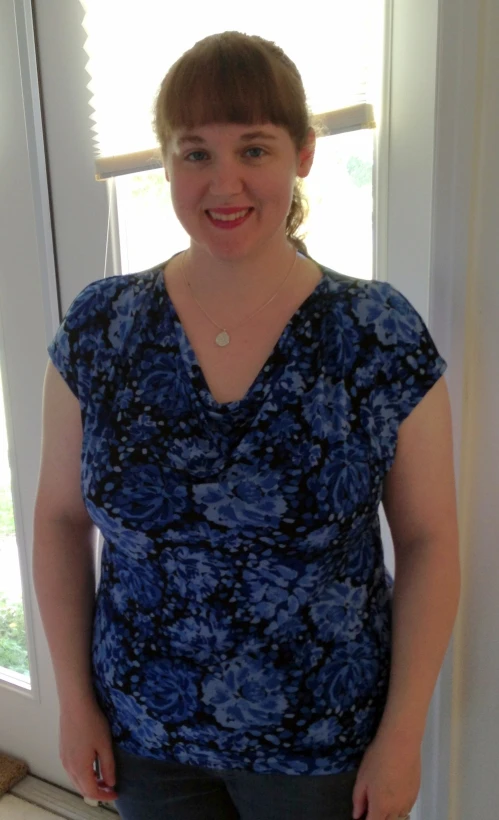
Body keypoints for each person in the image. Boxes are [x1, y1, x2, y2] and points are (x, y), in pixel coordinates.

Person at [33, 30, 460, 820]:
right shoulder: (100, 327)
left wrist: (402, 736)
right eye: (194, 153)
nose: (222, 182)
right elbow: (60, 520)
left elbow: (431, 540)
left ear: (301, 154)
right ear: (165, 162)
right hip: (144, 730)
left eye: (253, 149)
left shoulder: (375, 332)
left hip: (323, 741)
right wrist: (74, 700)